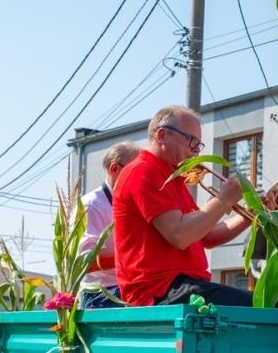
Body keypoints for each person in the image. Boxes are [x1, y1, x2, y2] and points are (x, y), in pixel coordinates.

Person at [112, 105, 255, 307]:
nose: (196, 150)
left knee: (267, 306)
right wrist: (224, 199)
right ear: (162, 135)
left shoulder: (172, 177)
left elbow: (207, 235)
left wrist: (250, 215)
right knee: (269, 308)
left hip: (181, 286)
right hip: (158, 290)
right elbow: (180, 235)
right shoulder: (143, 171)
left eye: (198, 144)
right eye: (191, 141)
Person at [79, 141, 141, 308]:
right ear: (114, 169)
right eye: (136, 171)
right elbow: (86, 262)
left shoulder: (136, 203)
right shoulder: (91, 205)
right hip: (101, 294)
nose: (143, 178)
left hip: (128, 288)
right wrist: (140, 254)